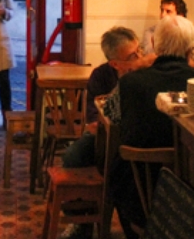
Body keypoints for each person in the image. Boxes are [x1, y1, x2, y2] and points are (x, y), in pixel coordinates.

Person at [104, 15, 194, 238]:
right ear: (191, 48)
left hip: (139, 191)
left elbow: (110, 115)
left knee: (113, 162)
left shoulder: (131, 83)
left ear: (153, 44)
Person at [60, 26, 155, 239]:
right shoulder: (101, 76)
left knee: (123, 172)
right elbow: (93, 123)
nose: (140, 57)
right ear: (115, 63)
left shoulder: (148, 73)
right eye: (132, 55)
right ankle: (80, 221)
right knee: (72, 157)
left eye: (139, 50)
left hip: (136, 139)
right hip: (102, 138)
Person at [140, 0, 194, 64]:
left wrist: (188, 37)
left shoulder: (188, 29)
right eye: (162, 10)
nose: (162, 15)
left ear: (180, 16)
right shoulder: (151, 32)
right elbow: (150, 55)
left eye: (168, 11)